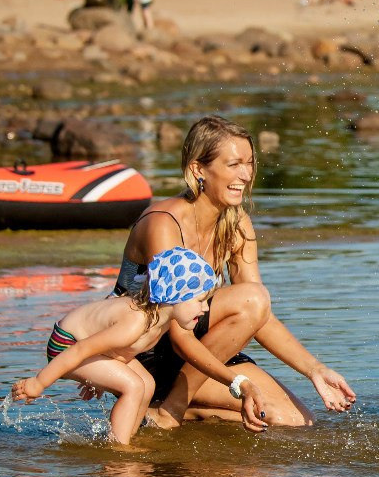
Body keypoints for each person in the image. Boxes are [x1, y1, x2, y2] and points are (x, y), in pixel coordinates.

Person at [115, 115, 356, 428]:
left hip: (199, 348)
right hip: (149, 351)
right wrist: (239, 383)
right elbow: (178, 332)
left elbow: (259, 315)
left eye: (250, 163)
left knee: (295, 422)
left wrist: (314, 370)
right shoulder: (163, 224)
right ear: (197, 170)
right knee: (251, 300)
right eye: (234, 164)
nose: (245, 175)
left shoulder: (236, 222)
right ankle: (170, 410)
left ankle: (173, 411)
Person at [11, 247, 267, 445]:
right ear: (173, 297)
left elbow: (119, 351)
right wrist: (39, 383)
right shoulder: (136, 322)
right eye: (200, 300)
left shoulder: (161, 321)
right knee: (132, 385)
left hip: (89, 345)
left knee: (147, 383)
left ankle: (127, 437)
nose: (206, 308)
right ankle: (119, 449)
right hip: (66, 344)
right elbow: (81, 350)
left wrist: (98, 377)